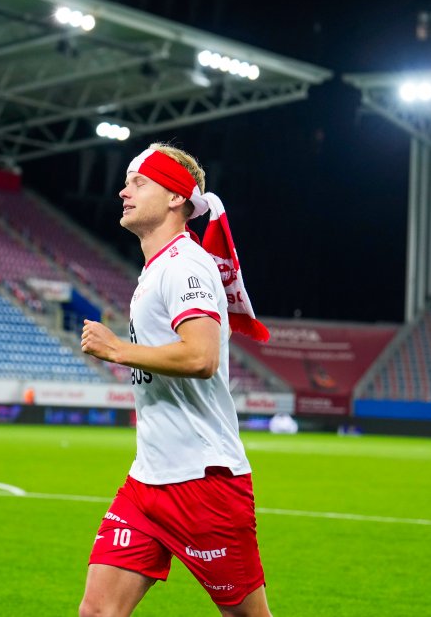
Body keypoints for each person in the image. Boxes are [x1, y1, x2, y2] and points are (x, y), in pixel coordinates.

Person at [78, 142, 273, 617]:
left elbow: (202, 356)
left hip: (203, 482)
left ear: (175, 197)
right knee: (98, 611)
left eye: (138, 182)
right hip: (148, 481)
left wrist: (115, 349)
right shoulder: (156, 269)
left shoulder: (185, 265)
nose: (124, 192)